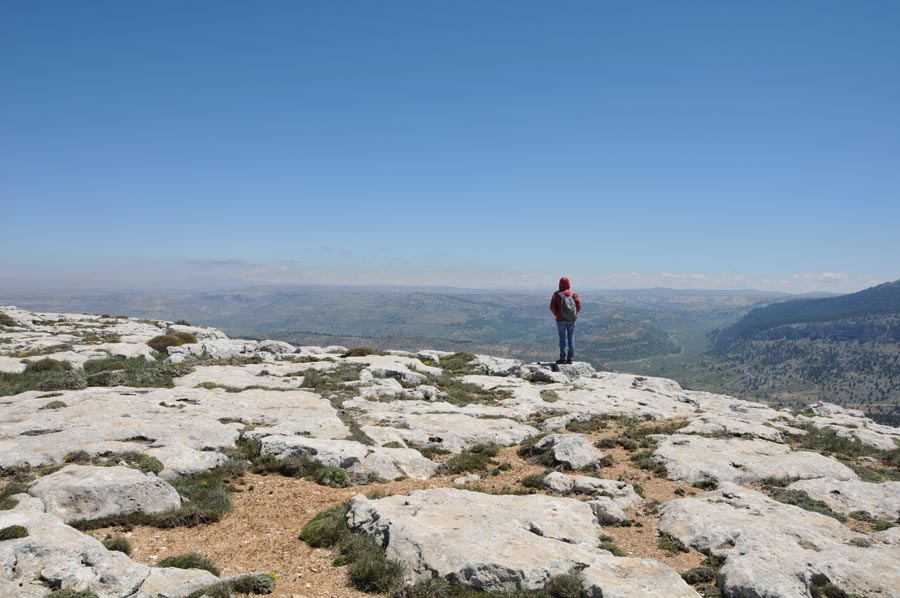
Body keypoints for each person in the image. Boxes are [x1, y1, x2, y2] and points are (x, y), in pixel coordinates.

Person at [550, 276, 581, 364]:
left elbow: (552, 307)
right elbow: (578, 305)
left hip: (560, 320)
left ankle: (562, 358)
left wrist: (557, 315)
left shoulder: (556, 295)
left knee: (562, 338)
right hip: (572, 320)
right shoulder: (573, 294)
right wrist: (574, 314)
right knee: (571, 337)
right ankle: (570, 358)